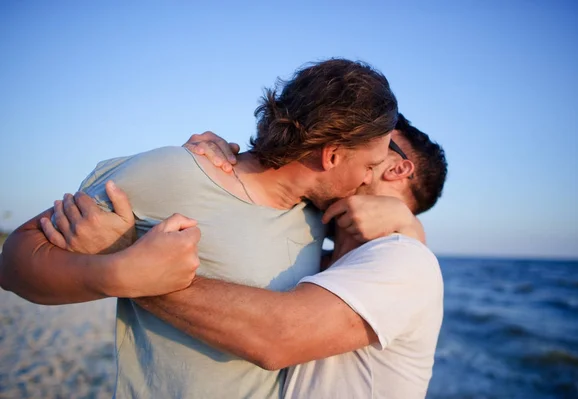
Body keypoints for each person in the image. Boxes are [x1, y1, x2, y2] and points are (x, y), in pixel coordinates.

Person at [0, 58, 401, 398]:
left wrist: (404, 226)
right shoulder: (173, 174)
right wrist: (116, 271)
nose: (368, 181)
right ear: (331, 155)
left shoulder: (318, 216)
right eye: (369, 166)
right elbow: (15, 260)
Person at [38, 114, 448, 398]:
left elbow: (277, 337)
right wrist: (217, 167)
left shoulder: (404, 260)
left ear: (396, 168)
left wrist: (124, 259)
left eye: (374, 143)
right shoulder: (320, 246)